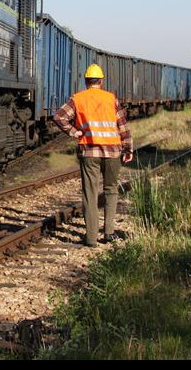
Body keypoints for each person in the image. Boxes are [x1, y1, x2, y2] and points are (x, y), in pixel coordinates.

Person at [53, 63, 135, 247]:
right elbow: (123, 126)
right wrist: (128, 149)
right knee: (111, 189)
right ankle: (109, 233)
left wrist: (74, 133)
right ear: (101, 81)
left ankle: (91, 238)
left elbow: (59, 117)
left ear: (86, 81)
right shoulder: (111, 98)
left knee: (90, 193)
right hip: (112, 152)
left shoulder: (78, 98)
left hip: (89, 152)